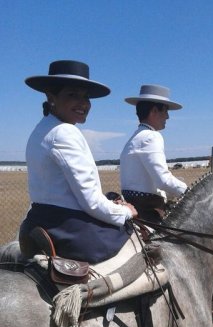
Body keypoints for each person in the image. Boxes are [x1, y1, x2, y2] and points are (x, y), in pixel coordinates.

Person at [19, 60, 137, 264]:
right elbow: (90, 202)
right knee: (140, 248)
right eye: (73, 95)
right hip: (69, 230)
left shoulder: (40, 130)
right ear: (51, 96)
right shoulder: (65, 132)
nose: (83, 103)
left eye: (86, 97)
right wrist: (125, 211)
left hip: (38, 221)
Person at [120, 84, 188, 223]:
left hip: (132, 204)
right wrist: (192, 192)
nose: (167, 117)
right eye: (165, 111)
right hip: (149, 210)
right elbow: (163, 181)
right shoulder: (151, 136)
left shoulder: (134, 138)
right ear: (154, 111)